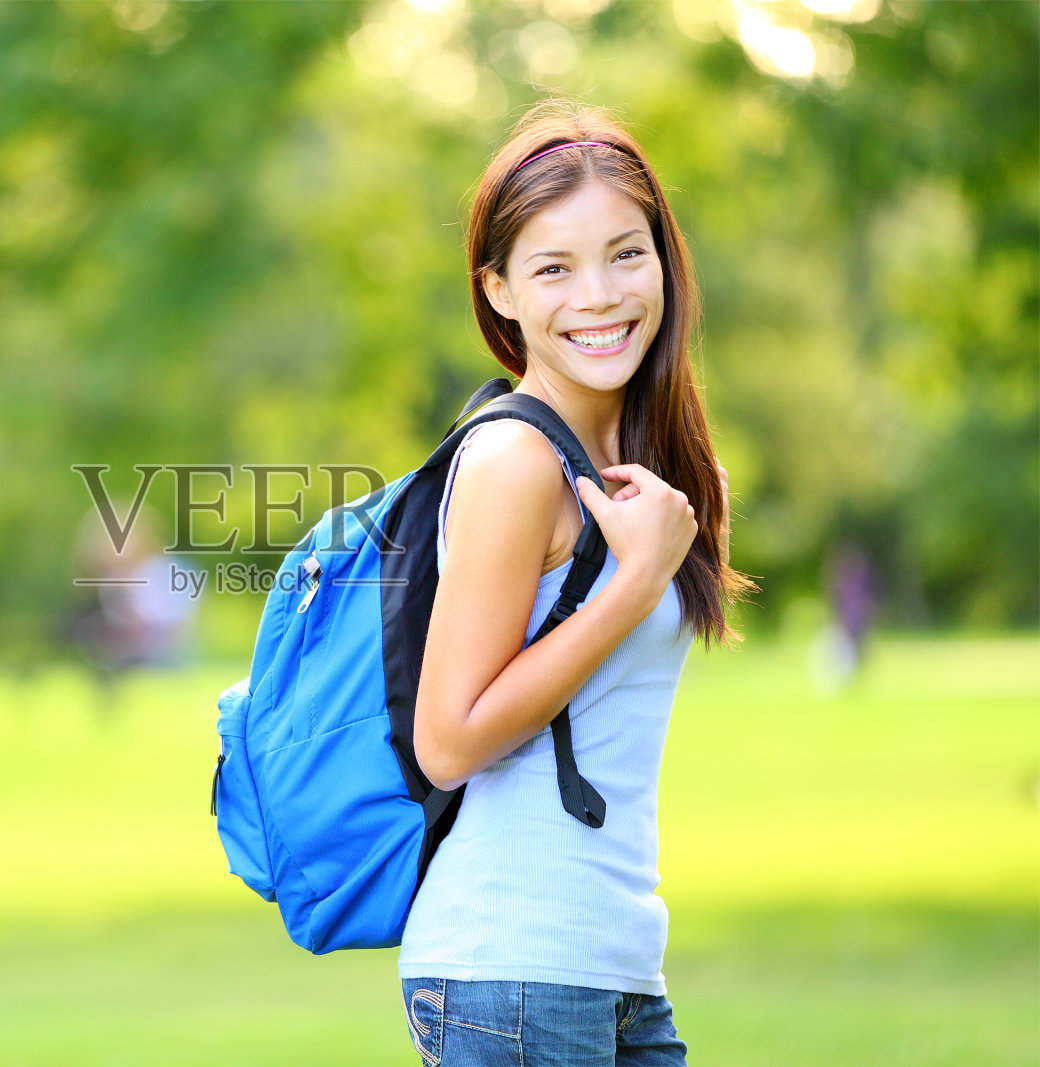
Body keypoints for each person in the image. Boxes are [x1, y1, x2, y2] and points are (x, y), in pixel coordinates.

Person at [398, 97, 757, 1066]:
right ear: (500, 290)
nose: (598, 294)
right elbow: (447, 738)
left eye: (624, 253)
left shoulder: (651, 465)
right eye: (553, 267)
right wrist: (630, 586)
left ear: (664, 261)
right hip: (514, 967)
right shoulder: (516, 457)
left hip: (611, 964)